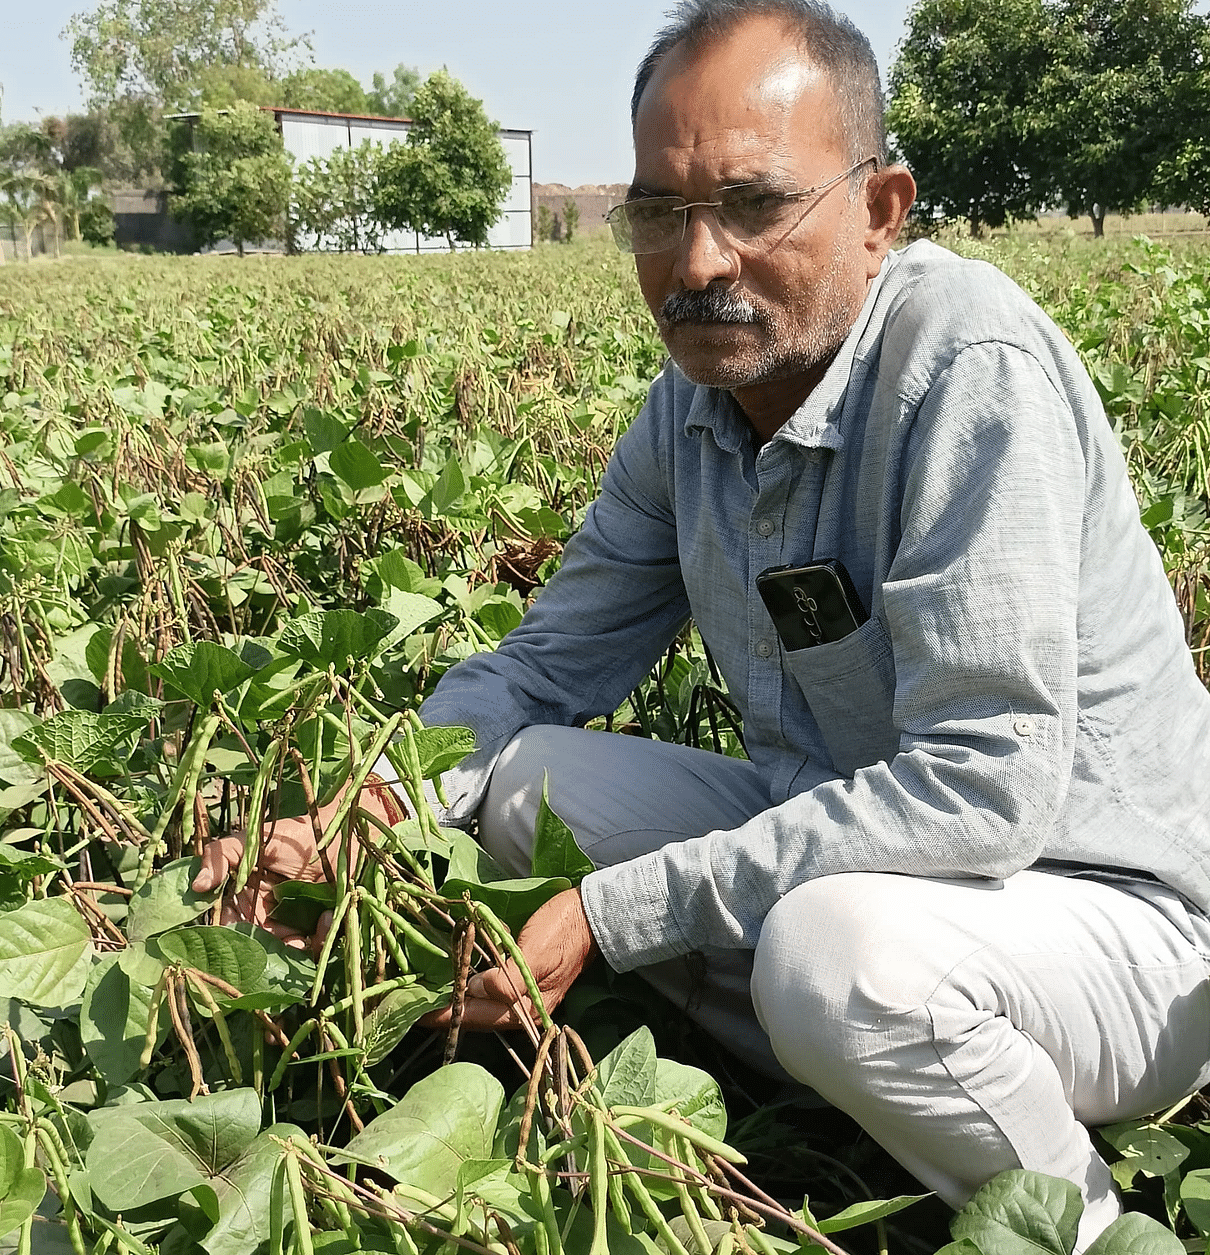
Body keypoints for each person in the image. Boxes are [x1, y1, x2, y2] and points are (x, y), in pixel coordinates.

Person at [197, 1, 1210, 1247]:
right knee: (526, 785)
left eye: (750, 205)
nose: (694, 265)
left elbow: (981, 790)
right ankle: (860, 1071)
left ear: (879, 210)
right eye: (659, 213)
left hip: (1109, 915)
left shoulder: (962, 366)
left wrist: (612, 913)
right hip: (871, 863)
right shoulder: (688, 409)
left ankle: (1086, 1224)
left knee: (829, 955)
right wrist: (379, 804)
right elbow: (546, 660)